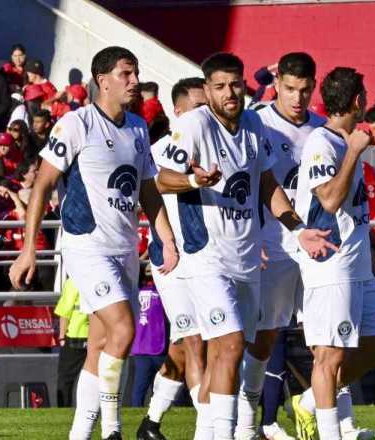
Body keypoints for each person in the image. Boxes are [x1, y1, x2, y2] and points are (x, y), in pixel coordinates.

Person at [152, 52, 335, 440]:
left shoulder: (252, 124)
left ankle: (214, 433)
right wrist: (195, 181)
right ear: (207, 90)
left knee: (233, 350)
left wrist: (297, 228)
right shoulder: (195, 124)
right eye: (219, 87)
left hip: (246, 255)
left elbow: (268, 185)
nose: (229, 93)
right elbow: (163, 179)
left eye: (235, 84)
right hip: (206, 256)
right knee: (230, 344)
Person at [9, 46, 180, 440]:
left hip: (122, 249)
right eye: (126, 74)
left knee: (100, 344)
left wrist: (166, 239)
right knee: (123, 330)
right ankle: (113, 430)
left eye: (135, 73)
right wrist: (29, 247)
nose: (134, 81)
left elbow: (148, 190)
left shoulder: (137, 128)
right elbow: (44, 183)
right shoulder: (76, 123)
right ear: (102, 80)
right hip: (86, 247)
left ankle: (80, 434)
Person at [288, 66, 375, 440]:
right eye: (363, 95)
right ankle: (331, 434)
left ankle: (310, 402)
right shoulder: (322, 142)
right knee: (328, 357)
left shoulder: (346, 139)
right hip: (329, 267)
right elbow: (330, 200)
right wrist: (352, 153)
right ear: (356, 100)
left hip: (358, 265)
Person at [232, 52, 326, 440]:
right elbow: (249, 183)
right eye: (290, 89)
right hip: (274, 242)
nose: (297, 98)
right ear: (278, 84)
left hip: (316, 243)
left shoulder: (321, 128)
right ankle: (249, 422)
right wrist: (253, 236)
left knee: (326, 337)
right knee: (265, 336)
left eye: (305, 90)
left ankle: (339, 424)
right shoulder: (257, 122)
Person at [136, 76, 209, 440]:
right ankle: (210, 429)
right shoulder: (162, 150)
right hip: (172, 258)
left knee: (183, 347)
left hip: (208, 257)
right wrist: (196, 182)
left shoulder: (215, 148)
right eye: (197, 107)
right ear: (178, 112)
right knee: (196, 340)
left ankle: (150, 423)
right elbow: (157, 183)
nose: (204, 114)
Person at [55, 278, 90, 408]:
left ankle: (63, 408)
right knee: (93, 378)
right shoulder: (99, 276)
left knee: (66, 378)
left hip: (75, 335)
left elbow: (65, 312)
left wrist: (62, 336)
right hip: (97, 336)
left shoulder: (74, 281)